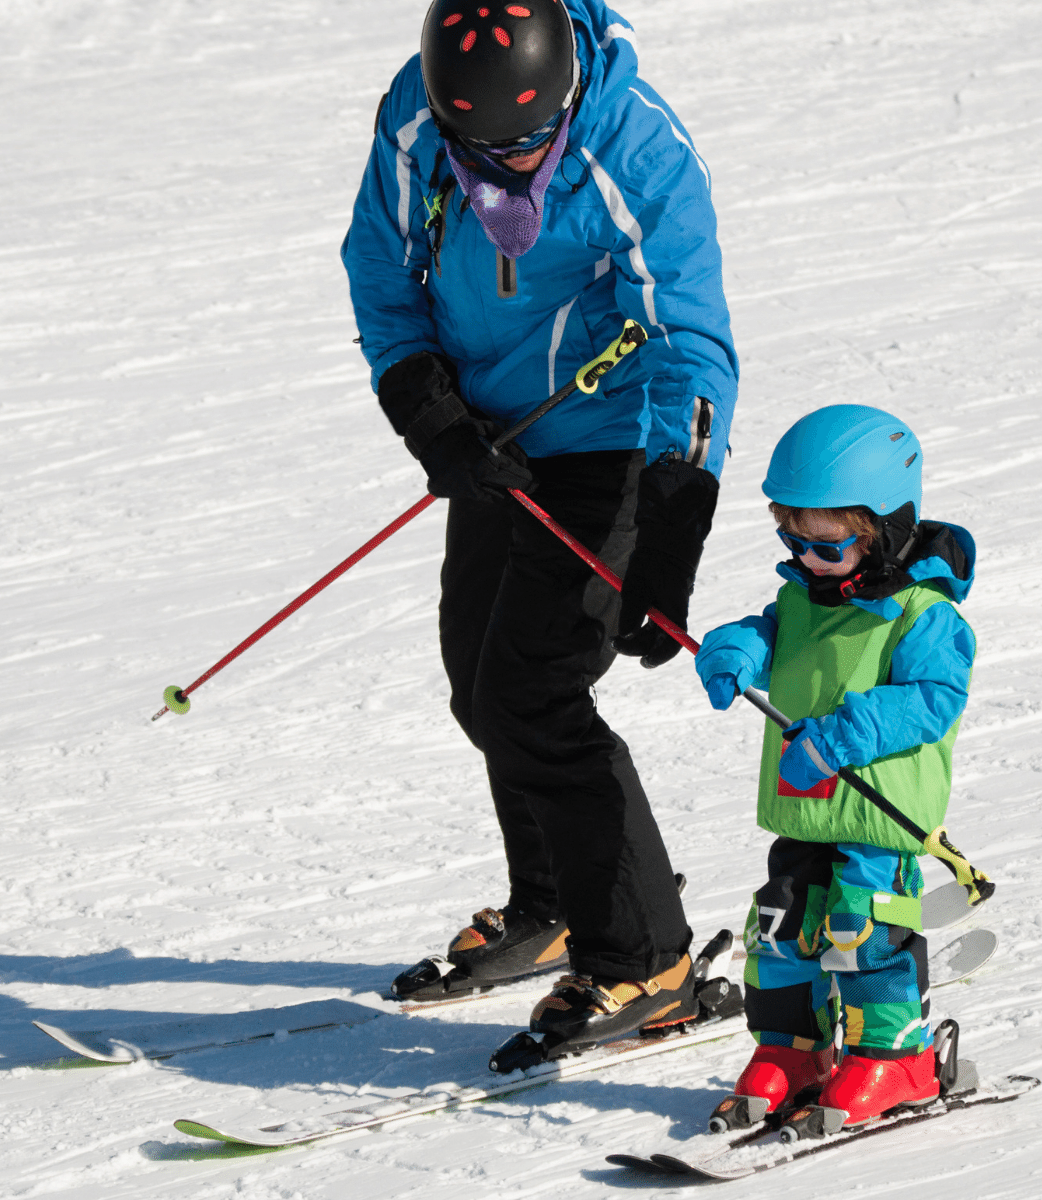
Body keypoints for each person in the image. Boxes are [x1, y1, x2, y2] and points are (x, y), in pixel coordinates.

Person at [341, 0, 738, 1055]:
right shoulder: (418, 123)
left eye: (525, 142)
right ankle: (557, 898)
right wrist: (428, 409)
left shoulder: (636, 149)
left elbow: (689, 343)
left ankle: (642, 956)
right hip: (490, 433)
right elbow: (380, 272)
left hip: (610, 437)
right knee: (479, 678)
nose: (507, 166)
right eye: (487, 147)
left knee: (536, 692)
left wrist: (668, 532)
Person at [691, 405, 978, 1137]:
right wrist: (739, 648)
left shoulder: (924, 614)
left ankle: (896, 1057)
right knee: (781, 927)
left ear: (887, 527)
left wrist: (845, 735)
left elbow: (934, 699)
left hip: (878, 811)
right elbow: (775, 632)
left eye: (828, 546)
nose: (807, 560)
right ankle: (794, 1050)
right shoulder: (804, 596)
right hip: (806, 805)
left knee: (864, 930)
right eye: (792, 539)